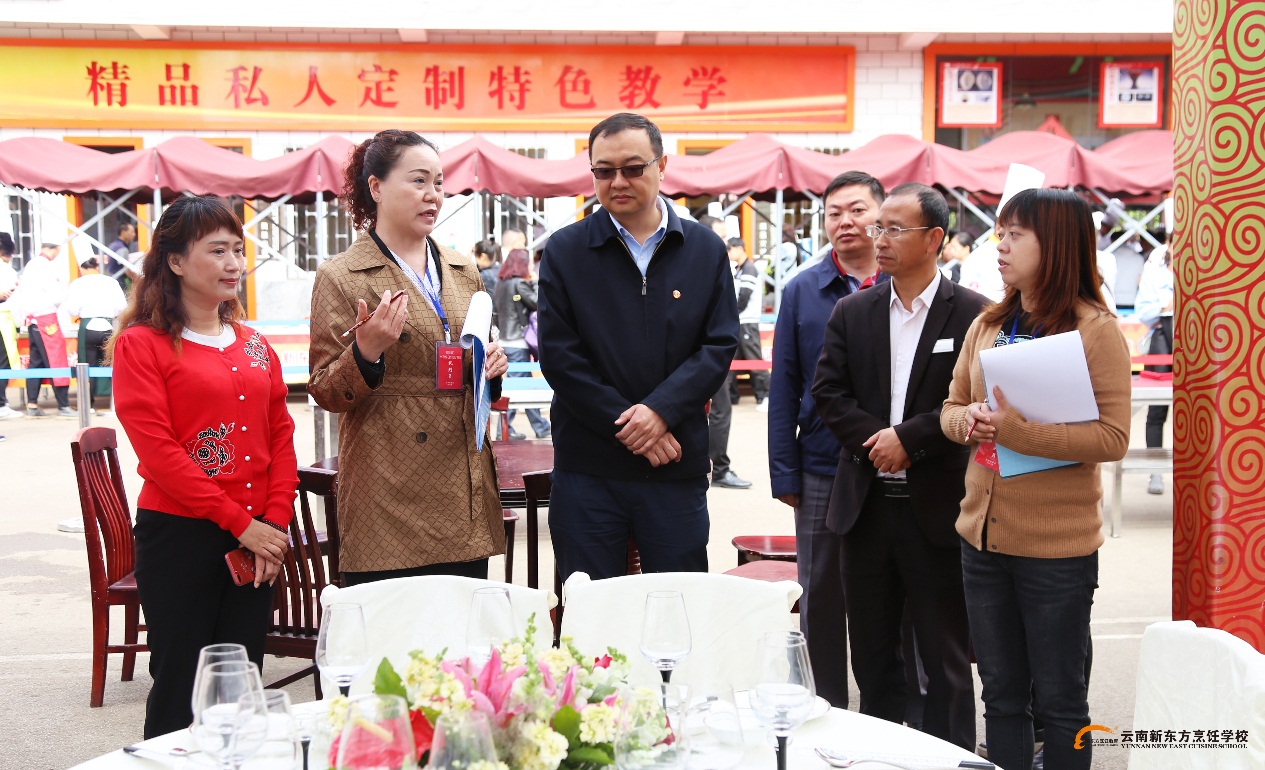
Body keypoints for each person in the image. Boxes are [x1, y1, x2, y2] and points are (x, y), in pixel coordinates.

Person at [941, 188, 1131, 770]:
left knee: (1060, 702)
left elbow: (1112, 438)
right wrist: (967, 423)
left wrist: (1016, 431)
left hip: (1056, 551)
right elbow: (950, 408)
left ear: (1058, 245)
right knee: (998, 696)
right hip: (982, 540)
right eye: (1001, 232)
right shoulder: (989, 323)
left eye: (1017, 234)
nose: (1001, 245)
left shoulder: (1094, 330)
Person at [107, 195, 298, 738]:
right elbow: (159, 455)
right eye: (217, 251)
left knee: (242, 683)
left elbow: (280, 436)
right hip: (181, 537)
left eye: (238, 250)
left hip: (257, 538)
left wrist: (274, 526)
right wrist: (243, 524)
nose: (234, 263)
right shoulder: (141, 346)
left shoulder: (256, 346)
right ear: (174, 261)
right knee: (181, 685)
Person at [811, 183, 988, 750]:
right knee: (873, 660)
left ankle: (953, 758)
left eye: (893, 228)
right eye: (877, 227)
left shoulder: (975, 315)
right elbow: (828, 392)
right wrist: (878, 442)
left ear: (935, 239)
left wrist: (909, 441)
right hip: (864, 511)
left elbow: (979, 404)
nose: (876, 238)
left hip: (938, 510)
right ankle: (878, 757)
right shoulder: (854, 309)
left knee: (947, 663)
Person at [538, 112, 738, 581]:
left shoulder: (706, 250)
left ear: (662, 165)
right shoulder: (566, 250)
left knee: (676, 608)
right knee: (589, 615)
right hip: (589, 468)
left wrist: (661, 412)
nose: (618, 181)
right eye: (603, 171)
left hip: (674, 463)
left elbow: (718, 344)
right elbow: (560, 357)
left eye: (633, 167)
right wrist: (631, 426)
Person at [308, 129, 510, 586]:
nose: (433, 195)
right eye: (418, 181)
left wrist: (490, 368)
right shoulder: (341, 276)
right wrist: (366, 352)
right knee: (394, 639)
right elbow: (323, 388)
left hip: (462, 479)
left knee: (461, 637)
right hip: (387, 484)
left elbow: (475, 357)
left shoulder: (462, 269)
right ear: (376, 187)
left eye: (439, 183)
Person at [766, 170, 887, 708]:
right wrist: (784, 472)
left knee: (894, 590)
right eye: (834, 212)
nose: (845, 221)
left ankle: (897, 708)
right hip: (821, 464)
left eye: (857, 210)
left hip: (895, 460)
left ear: (882, 215)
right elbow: (784, 384)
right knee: (821, 593)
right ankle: (826, 705)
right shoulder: (802, 291)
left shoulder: (906, 282)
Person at [493, 248, 550, 439]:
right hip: (518, 341)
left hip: (505, 340)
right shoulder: (519, 283)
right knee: (516, 386)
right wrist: (534, 282)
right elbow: (537, 303)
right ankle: (505, 429)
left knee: (522, 383)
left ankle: (540, 426)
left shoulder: (500, 284)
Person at [1133, 229, 1173, 494]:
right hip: (1164, 334)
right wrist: (1166, 307)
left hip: (1204, 336)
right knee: (1157, 408)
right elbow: (1144, 309)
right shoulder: (1157, 261)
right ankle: (1155, 473)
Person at [13, 243, 74, 417]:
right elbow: (57, 296)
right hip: (47, 319)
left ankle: (32, 403)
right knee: (56, 361)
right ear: (55, 248)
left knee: (36, 363)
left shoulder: (31, 265)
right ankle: (63, 404)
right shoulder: (46, 267)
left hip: (33, 319)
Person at [62, 254, 127, 413]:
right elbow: (122, 307)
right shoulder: (110, 281)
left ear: (83, 269)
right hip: (107, 326)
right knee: (110, 363)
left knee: (86, 364)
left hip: (87, 326)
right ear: (96, 267)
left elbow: (72, 309)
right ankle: (113, 402)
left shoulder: (78, 283)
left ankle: (88, 404)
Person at [0, 232, 20, 421]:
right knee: (3, 362)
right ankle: (1, 403)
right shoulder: (5, 268)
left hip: (6, 318)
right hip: (3, 320)